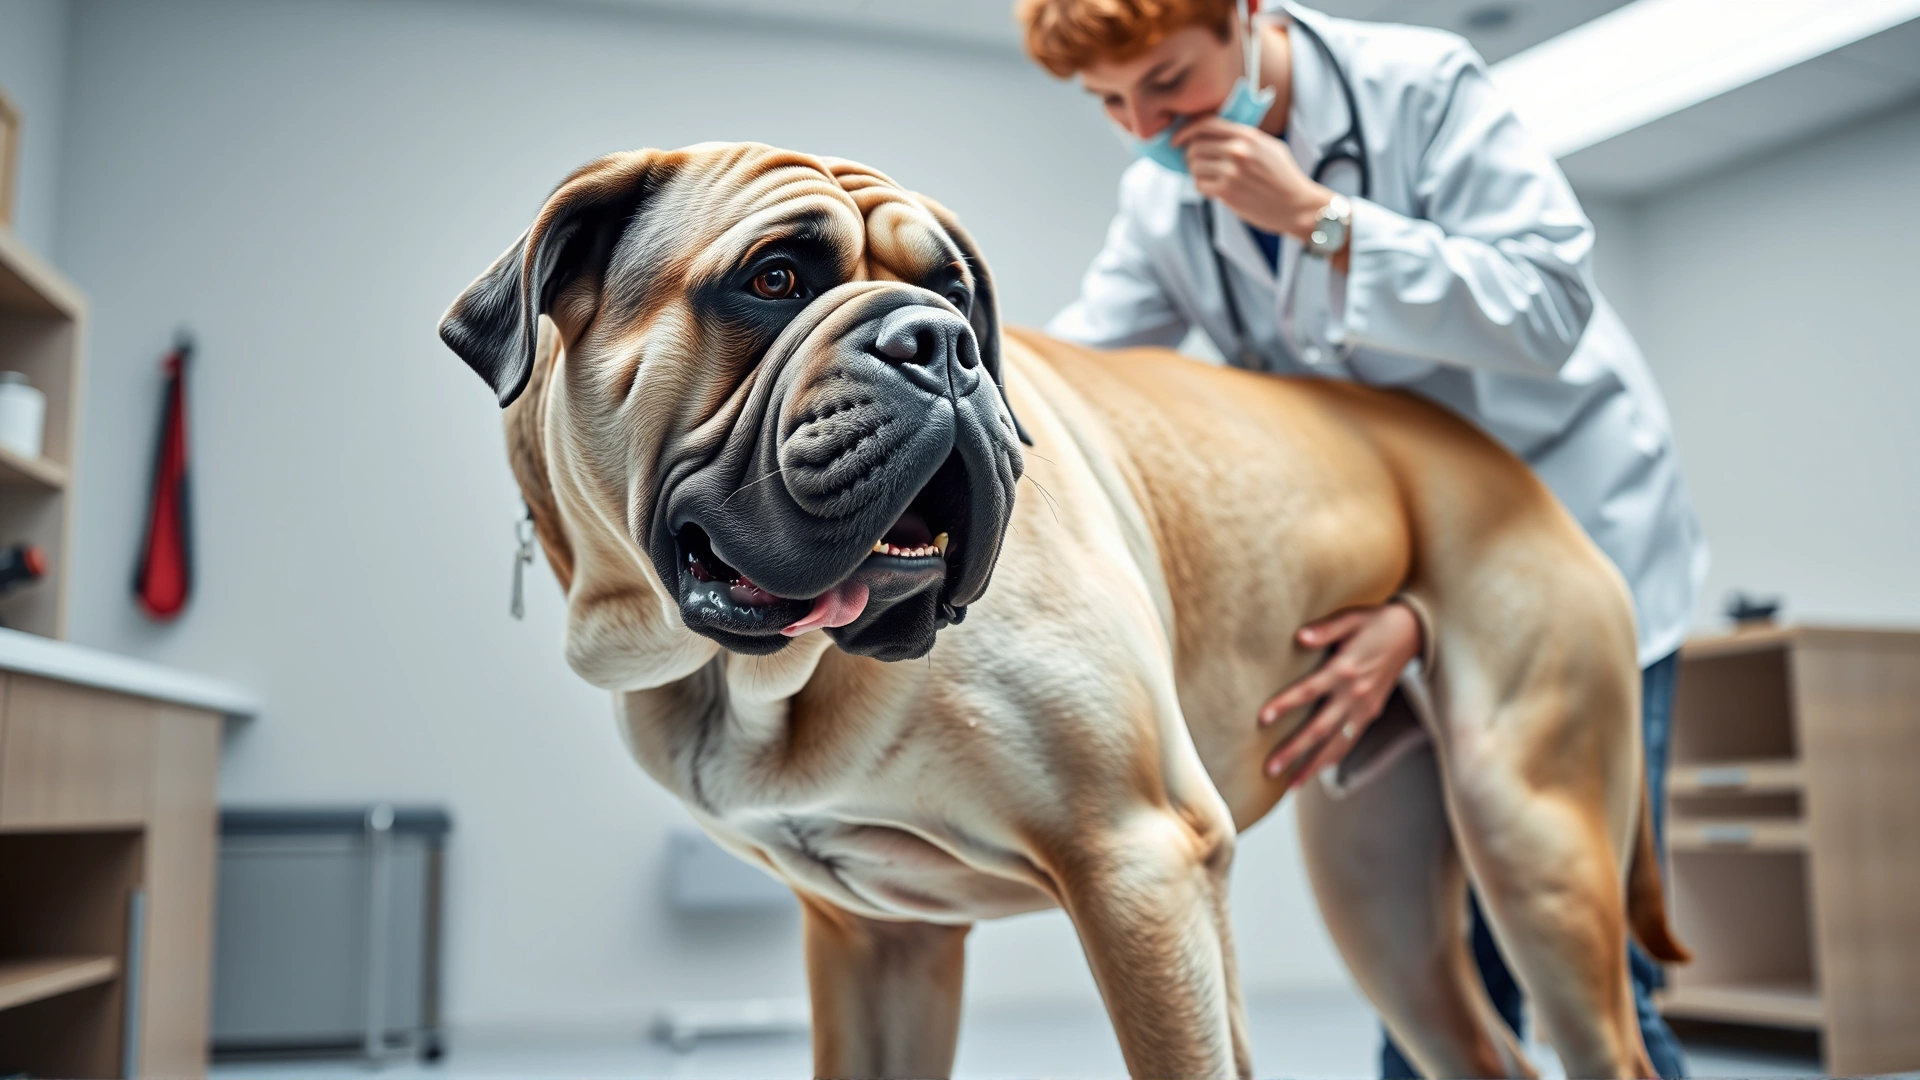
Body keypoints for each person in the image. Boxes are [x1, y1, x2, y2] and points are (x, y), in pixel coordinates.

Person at [1014, 1, 1709, 1076]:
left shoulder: (1417, 89)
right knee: (1424, 984)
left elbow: (1547, 303)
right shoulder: (1164, 200)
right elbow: (1081, 371)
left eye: (1167, 81)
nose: (1147, 126)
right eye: (1110, 102)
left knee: (1580, 958)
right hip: (1385, 566)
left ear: (1245, 13)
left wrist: (1317, 219)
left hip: (1560, 527)